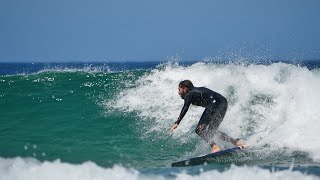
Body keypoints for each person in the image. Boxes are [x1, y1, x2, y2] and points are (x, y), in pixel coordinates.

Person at [169, 80, 245, 153]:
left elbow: (185, 107)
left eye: (179, 89)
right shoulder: (196, 91)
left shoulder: (189, 93)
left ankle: (215, 147)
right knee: (211, 132)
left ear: (185, 89)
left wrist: (177, 122)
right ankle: (236, 142)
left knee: (199, 130)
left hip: (214, 104)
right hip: (223, 102)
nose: (178, 93)